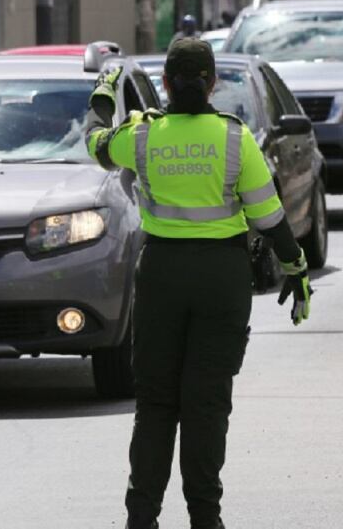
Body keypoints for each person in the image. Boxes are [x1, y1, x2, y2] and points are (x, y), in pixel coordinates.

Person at [84, 39, 313, 529]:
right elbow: (271, 217)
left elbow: (96, 144)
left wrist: (102, 98)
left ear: (164, 83)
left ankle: (141, 518)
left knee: (156, 403)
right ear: (212, 84)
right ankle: (206, 519)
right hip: (220, 280)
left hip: (161, 275)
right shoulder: (235, 138)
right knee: (206, 403)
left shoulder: (143, 136)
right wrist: (295, 267)